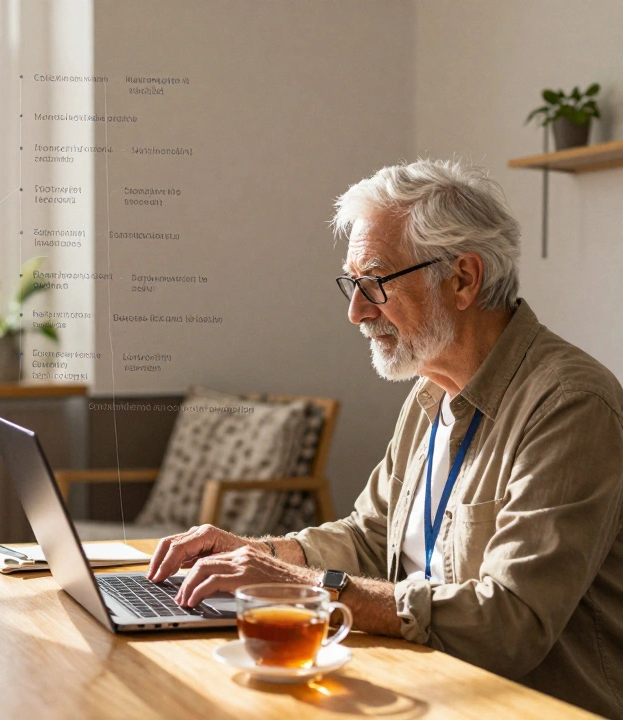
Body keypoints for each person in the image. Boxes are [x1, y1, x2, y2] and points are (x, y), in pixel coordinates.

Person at [147, 159, 623, 719]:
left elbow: (510, 623)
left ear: (463, 279)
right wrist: (257, 555)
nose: (355, 311)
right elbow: (372, 538)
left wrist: (307, 586)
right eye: (352, 285)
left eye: (374, 283)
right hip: (425, 685)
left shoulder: (569, 403)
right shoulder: (429, 390)